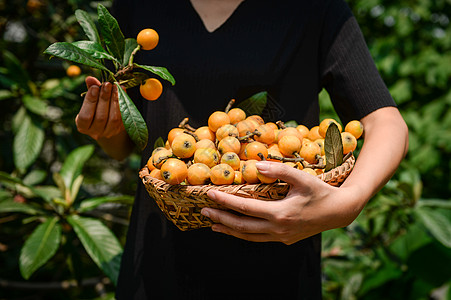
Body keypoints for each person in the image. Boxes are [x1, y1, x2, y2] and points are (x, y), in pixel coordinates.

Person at [75, 0, 409, 299]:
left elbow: (385, 123)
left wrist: (348, 202)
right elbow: (121, 148)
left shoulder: (315, 8)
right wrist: (108, 130)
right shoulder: (137, 7)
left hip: (279, 267)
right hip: (158, 259)